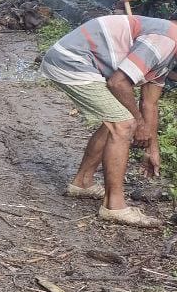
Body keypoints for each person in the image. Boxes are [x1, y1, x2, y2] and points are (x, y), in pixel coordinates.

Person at [41, 15, 177, 229]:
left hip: (79, 63)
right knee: (124, 124)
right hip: (71, 61)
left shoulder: (168, 52)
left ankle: (82, 183)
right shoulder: (166, 38)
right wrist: (138, 123)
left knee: (116, 120)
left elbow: (149, 103)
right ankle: (114, 207)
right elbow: (118, 82)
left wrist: (152, 148)